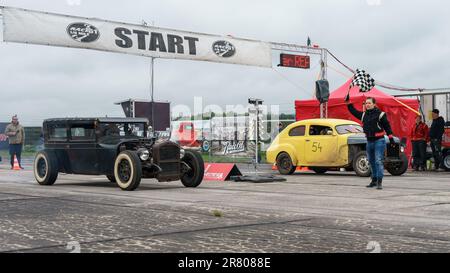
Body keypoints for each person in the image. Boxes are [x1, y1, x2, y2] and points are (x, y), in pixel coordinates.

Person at [346, 97, 395, 190]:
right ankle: (374, 180)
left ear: (374, 104)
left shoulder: (381, 115)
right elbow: (353, 111)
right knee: (371, 161)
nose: (367, 105)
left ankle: (379, 182)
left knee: (378, 161)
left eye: (369, 103)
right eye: (366, 103)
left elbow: (387, 127)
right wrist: (348, 103)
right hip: (369, 141)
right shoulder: (364, 115)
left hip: (379, 141)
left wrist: (391, 138)